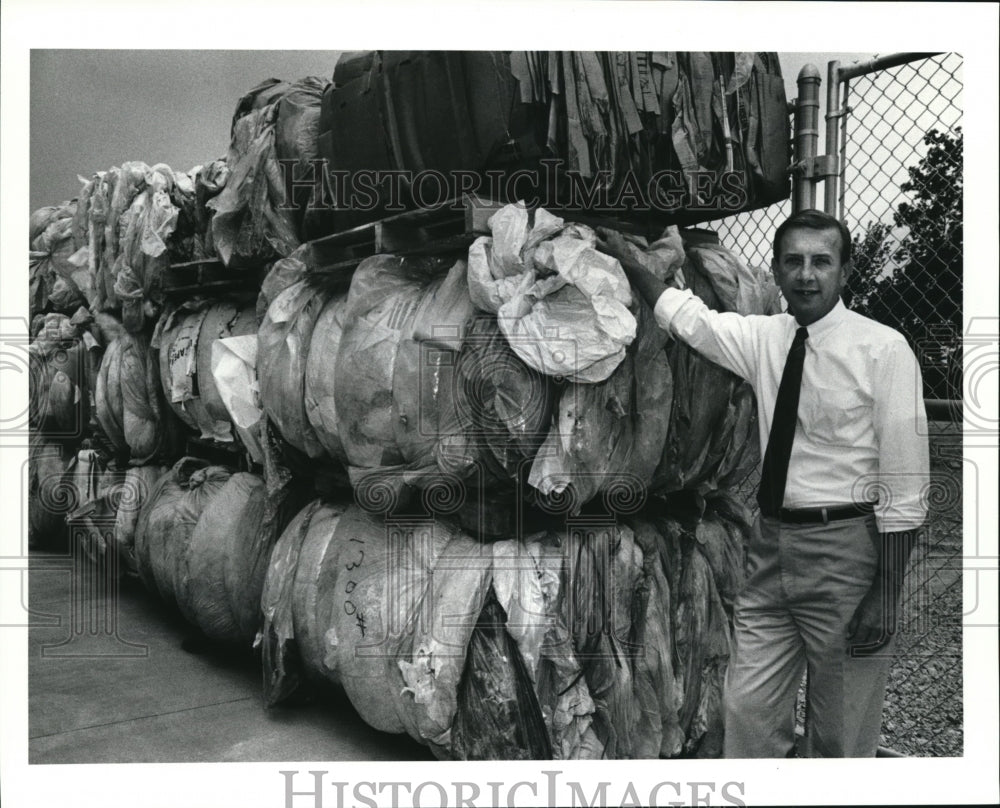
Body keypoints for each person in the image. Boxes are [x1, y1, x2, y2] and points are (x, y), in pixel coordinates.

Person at [597, 209, 929, 758]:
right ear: (775, 271)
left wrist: (885, 597)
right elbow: (690, 319)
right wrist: (633, 263)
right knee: (746, 715)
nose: (806, 275)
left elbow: (906, 489)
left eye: (821, 261)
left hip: (846, 552)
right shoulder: (766, 338)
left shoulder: (883, 350)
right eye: (793, 261)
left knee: (841, 737)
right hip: (770, 547)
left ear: (844, 271)